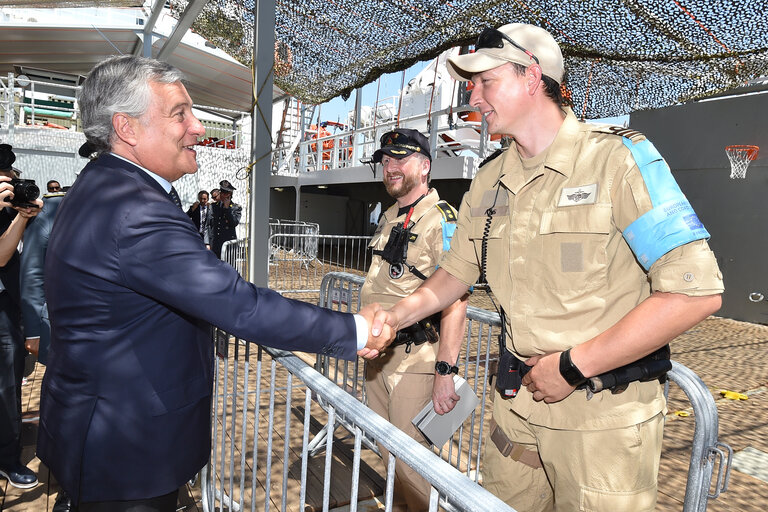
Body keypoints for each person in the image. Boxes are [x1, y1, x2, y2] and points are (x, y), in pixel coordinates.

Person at [371, 23, 724, 511]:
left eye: (485, 81)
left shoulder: (618, 159)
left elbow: (695, 292)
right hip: (517, 406)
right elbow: (454, 275)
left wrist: (575, 366)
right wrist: (395, 316)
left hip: (600, 419)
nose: (473, 95)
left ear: (532, 77)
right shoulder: (490, 178)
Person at [37, 55, 394, 511]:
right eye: (179, 113)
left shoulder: (101, 186)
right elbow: (238, 305)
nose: (198, 126)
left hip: (101, 432)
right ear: (126, 127)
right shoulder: (134, 210)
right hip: (127, 453)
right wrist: (354, 330)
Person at [363, 128, 468, 511]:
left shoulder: (442, 220)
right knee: (386, 449)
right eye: (386, 160)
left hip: (417, 360)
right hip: (381, 358)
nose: (390, 166)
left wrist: (445, 373)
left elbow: (456, 302)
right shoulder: (389, 214)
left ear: (424, 166)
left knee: (412, 464)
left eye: (400, 158)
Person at [0, 144, 43, 490]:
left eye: (9, 178)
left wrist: (26, 215)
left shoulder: (10, 208)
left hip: (8, 306)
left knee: (8, 387)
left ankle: (7, 458)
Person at [208, 179, 241, 259]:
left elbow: (234, 223)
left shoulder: (235, 208)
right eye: (221, 192)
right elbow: (208, 225)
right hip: (215, 243)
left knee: (228, 267)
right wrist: (207, 243)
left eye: (225, 193)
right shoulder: (213, 206)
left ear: (229, 194)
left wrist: (227, 209)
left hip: (228, 243)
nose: (223, 195)